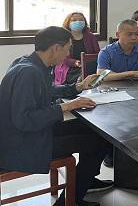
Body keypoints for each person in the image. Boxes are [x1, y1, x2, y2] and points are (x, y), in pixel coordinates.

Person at [0, 27, 112, 206]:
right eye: (67, 48)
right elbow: (25, 120)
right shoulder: (29, 73)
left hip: (29, 134)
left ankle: (85, 180)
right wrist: (66, 106)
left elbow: (47, 91)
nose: (68, 54)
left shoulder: (29, 63)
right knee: (99, 142)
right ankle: (70, 200)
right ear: (55, 48)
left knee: (93, 130)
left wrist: (77, 87)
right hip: (22, 144)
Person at [53, 12, 100, 86]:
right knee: (83, 77)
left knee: (95, 74)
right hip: (68, 68)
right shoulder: (63, 38)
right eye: (74, 20)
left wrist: (87, 62)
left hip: (88, 66)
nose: (78, 22)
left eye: (81, 20)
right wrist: (75, 62)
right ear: (68, 23)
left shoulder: (91, 37)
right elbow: (61, 57)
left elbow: (98, 54)